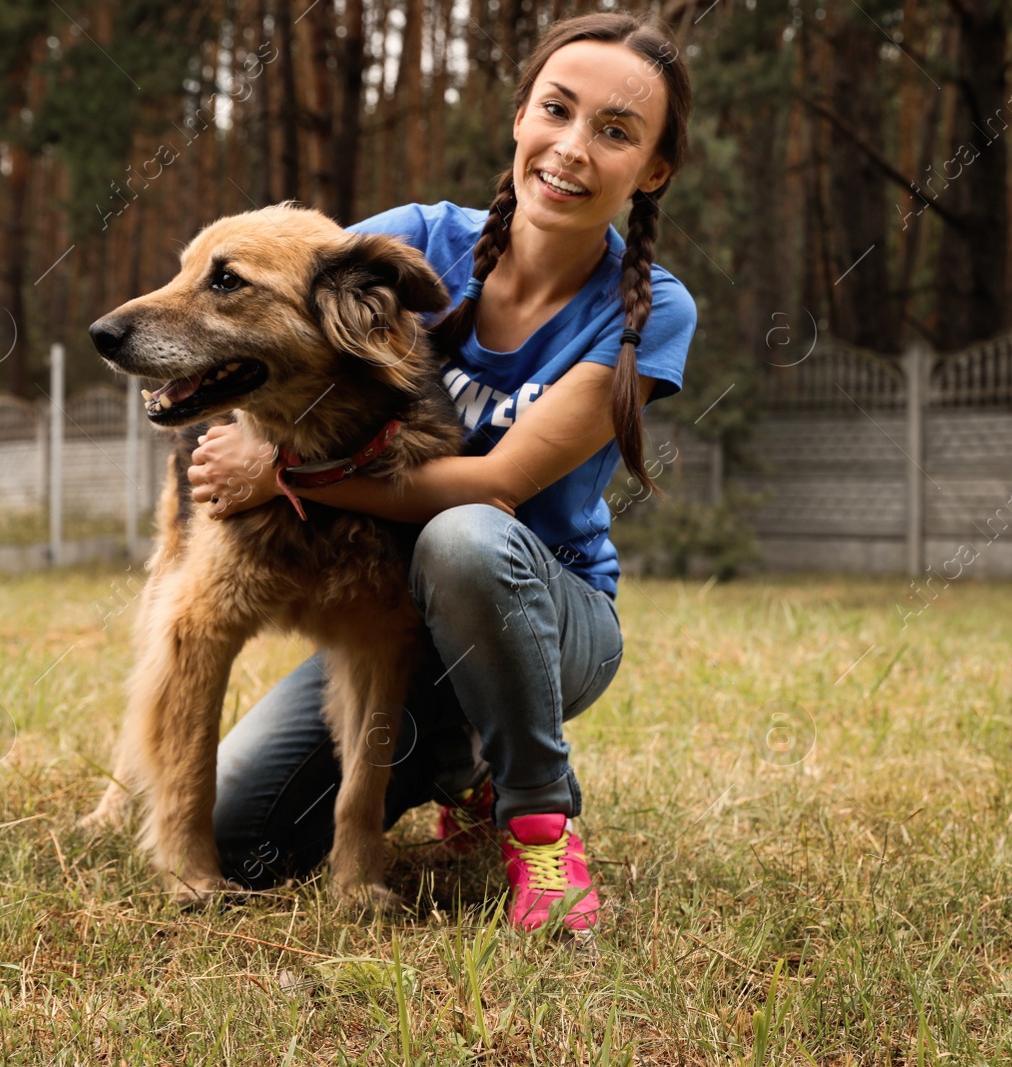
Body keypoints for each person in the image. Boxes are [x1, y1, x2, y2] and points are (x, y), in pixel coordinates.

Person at [186, 10, 696, 934]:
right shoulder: (418, 236)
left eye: (615, 131)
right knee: (240, 833)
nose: (573, 149)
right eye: (558, 109)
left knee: (466, 536)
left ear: (652, 169)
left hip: (546, 619)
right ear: (519, 116)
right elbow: (282, 334)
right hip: (391, 619)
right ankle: (454, 760)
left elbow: (496, 483)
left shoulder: (650, 309)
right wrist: (246, 434)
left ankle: (537, 816)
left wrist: (288, 478)